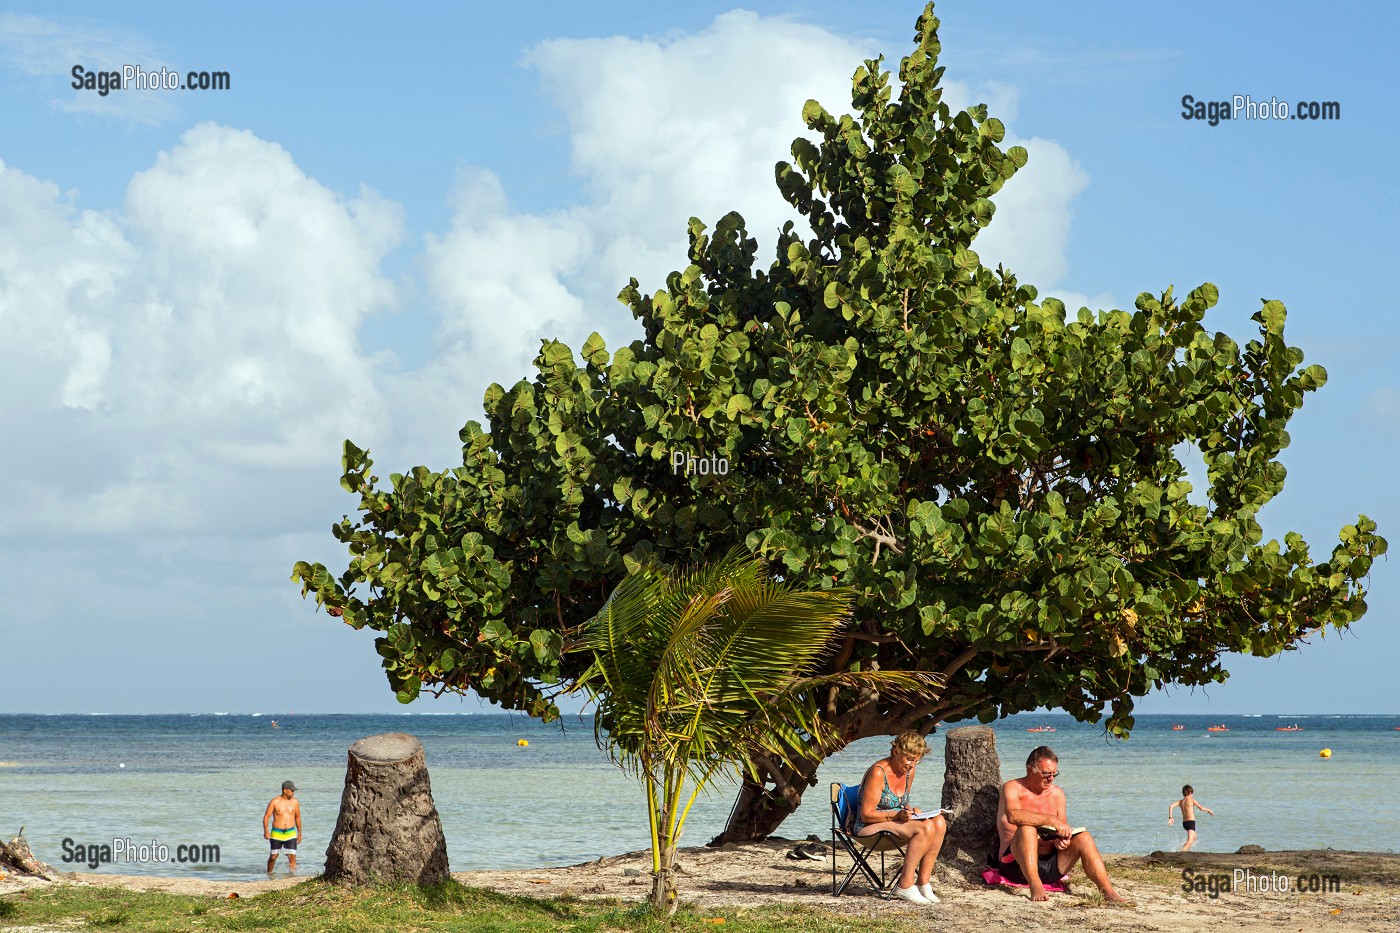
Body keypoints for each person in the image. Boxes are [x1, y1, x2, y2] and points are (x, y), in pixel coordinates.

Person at [995, 746, 1128, 904]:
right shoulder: (1013, 787)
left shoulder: (1057, 794)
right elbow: (1013, 816)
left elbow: (1061, 830)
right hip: (1015, 866)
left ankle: (1107, 890)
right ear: (1030, 770)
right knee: (1027, 828)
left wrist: (1062, 841)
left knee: (1084, 837)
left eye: (1054, 774)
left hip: (1051, 866)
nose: (1051, 779)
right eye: (1046, 774)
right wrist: (1050, 820)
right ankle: (1035, 885)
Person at [854, 731, 947, 906]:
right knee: (924, 828)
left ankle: (923, 883)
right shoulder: (878, 773)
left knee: (939, 822)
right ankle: (905, 885)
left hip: (893, 823)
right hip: (867, 827)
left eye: (917, 760)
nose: (912, 765)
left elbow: (901, 803)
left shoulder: (909, 772)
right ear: (896, 752)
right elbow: (866, 815)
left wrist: (910, 811)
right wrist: (897, 815)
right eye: (910, 759)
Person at [263, 780, 302, 875]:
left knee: (292, 856)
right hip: (276, 832)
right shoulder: (274, 802)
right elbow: (266, 816)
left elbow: (298, 817)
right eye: (292, 790)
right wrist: (266, 831)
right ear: (285, 790)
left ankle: (292, 876)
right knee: (273, 856)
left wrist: (300, 833)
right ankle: (269, 874)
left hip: (290, 832)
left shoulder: (295, 802)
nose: (293, 792)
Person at [1168, 784, 1215, 851]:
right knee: (1190, 840)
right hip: (1190, 822)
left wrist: (1171, 817)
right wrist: (1209, 810)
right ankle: (1182, 853)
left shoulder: (1180, 802)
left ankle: (1185, 851)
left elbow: (1171, 806)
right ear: (1190, 793)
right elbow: (1201, 808)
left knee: (1194, 837)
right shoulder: (1192, 800)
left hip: (1184, 823)